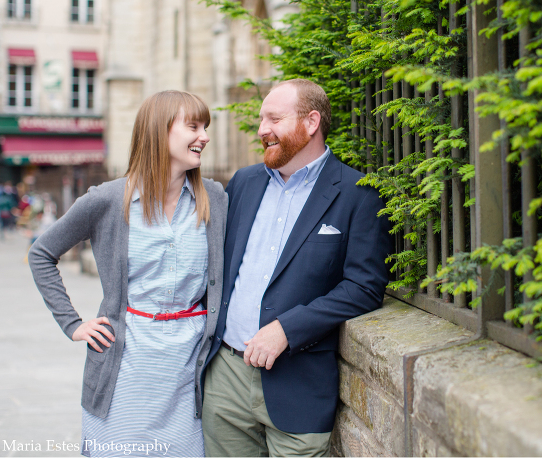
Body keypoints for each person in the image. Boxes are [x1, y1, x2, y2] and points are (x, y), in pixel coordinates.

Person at [29, 91, 228, 457]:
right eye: (193, 126)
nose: (205, 136)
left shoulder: (214, 198)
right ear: (159, 130)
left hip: (189, 370)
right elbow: (41, 253)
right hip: (124, 367)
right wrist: (72, 324)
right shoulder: (106, 199)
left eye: (206, 127)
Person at [201, 79, 392, 456]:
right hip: (225, 379)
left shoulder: (358, 193)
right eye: (261, 120)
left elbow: (364, 287)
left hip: (299, 382)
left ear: (311, 122)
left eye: (274, 119)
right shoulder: (243, 182)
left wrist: (288, 329)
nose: (262, 130)